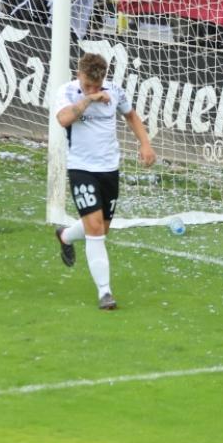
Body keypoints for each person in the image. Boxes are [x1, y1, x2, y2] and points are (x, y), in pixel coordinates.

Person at [52, 53, 156, 311]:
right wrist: (88, 99)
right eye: (88, 85)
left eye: (97, 86)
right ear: (79, 75)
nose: (94, 89)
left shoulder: (115, 92)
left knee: (102, 228)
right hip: (81, 168)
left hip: (109, 169)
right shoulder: (67, 92)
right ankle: (105, 293)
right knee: (96, 230)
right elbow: (63, 119)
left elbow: (131, 116)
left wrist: (145, 144)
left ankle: (65, 236)